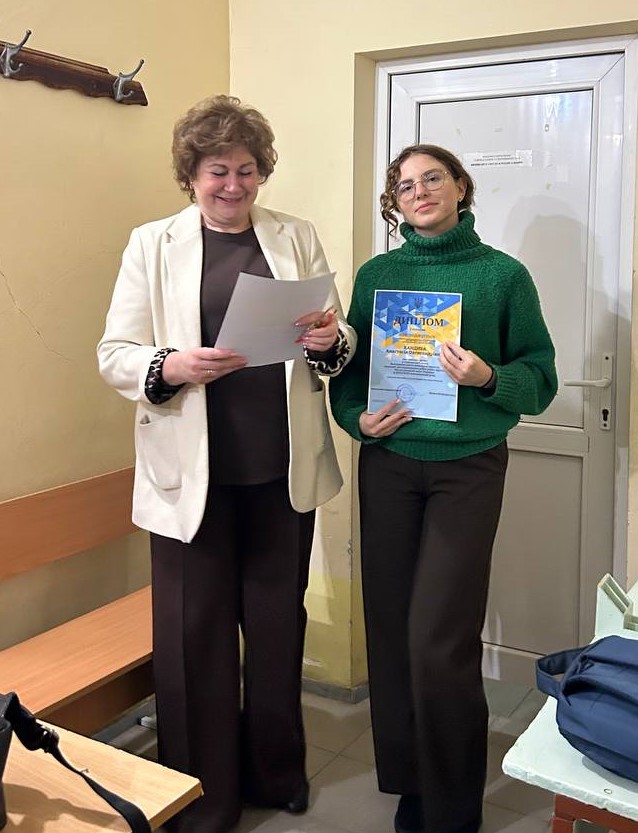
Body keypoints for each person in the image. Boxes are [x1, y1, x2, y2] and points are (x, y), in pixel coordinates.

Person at [97, 94, 356, 833]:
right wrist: (170, 364)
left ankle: (276, 773)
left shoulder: (295, 236)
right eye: (218, 171)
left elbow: (338, 340)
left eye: (246, 170)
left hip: (280, 474)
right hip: (191, 484)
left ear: (261, 172)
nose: (233, 185)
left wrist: (329, 341)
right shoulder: (152, 243)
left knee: (276, 632)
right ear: (192, 176)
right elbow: (115, 353)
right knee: (195, 640)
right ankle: (202, 800)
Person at [329, 144, 557, 833]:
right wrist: (356, 419)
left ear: (460, 187)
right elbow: (348, 375)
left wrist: (489, 377)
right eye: (405, 186)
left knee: (440, 637)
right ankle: (412, 781)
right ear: (395, 203)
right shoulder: (378, 277)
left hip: (468, 467)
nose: (420, 191)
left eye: (433, 178)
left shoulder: (502, 276)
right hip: (390, 463)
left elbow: (540, 379)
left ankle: (454, 801)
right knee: (392, 627)